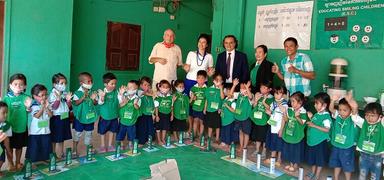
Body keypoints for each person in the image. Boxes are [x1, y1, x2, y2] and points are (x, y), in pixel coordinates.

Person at [349, 97, 384, 180]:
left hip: (377, 155)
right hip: (364, 154)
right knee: (362, 174)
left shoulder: (382, 124)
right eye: (367, 115)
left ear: (380, 116)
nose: (369, 118)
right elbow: (354, 118)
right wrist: (353, 106)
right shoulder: (364, 123)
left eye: (372, 115)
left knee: (375, 176)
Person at [3, 73, 32, 171]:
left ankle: (18, 162)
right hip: (9, 127)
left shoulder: (26, 98)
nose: (18, 86)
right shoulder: (6, 98)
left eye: (21, 84)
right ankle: (10, 163)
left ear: (25, 86)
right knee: (9, 147)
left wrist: (28, 107)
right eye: (15, 84)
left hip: (21, 126)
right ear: (10, 85)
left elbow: (29, 110)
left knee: (19, 147)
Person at [328, 95, 358, 180]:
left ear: (350, 110)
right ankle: (336, 178)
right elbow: (331, 109)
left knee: (347, 165)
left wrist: (351, 102)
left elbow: (355, 110)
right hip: (336, 145)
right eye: (340, 109)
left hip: (347, 146)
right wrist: (333, 100)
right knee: (336, 163)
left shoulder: (353, 118)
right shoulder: (338, 116)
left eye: (345, 110)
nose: (341, 112)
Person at [305, 92, 332, 180]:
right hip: (313, 141)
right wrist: (311, 117)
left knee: (319, 160)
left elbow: (327, 129)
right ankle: (313, 172)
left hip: (320, 142)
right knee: (313, 158)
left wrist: (313, 125)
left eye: (317, 103)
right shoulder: (317, 114)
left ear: (324, 105)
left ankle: (317, 175)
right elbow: (315, 122)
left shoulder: (326, 116)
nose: (315, 105)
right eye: (315, 103)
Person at [281, 92, 309, 173]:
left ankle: (295, 165)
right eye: (291, 101)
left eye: (293, 101)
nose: (291, 103)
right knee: (290, 149)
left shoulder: (303, 112)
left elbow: (302, 123)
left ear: (300, 102)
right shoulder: (290, 110)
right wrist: (284, 113)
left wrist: (297, 116)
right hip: (289, 133)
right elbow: (286, 120)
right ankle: (291, 164)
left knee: (296, 151)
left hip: (297, 135)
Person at [72, 72, 98, 157]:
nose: (91, 83)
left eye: (91, 81)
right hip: (80, 117)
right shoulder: (77, 93)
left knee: (89, 133)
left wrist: (94, 99)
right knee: (78, 134)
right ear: (81, 83)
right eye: (88, 82)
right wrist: (82, 97)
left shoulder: (92, 92)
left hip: (89, 117)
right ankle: (74, 149)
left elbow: (95, 103)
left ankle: (89, 148)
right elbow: (75, 103)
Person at [26, 84, 53, 166]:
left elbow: (51, 115)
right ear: (34, 96)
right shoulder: (33, 105)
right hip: (36, 131)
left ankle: (43, 159)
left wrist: (46, 107)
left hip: (46, 130)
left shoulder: (48, 104)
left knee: (45, 145)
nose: (44, 97)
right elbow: (37, 116)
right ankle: (32, 162)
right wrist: (42, 107)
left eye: (45, 95)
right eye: (41, 95)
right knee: (35, 146)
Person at [49, 73, 72, 159]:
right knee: (55, 137)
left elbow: (69, 106)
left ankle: (61, 153)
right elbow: (54, 107)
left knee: (62, 136)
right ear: (55, 84)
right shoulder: (52, 94)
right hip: (56, 118)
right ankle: (53, 153)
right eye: (61, 83)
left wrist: (68, 100)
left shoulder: (65, 93)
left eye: (65, 83)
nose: (64, 85)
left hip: (65, 117)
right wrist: (58, 99)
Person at [264, 86, 288, 167]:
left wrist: (281, 129)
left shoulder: (284, 104)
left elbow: (284, 118)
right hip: (273, 126)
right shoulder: (274, 102)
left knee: (279, 144)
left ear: (284, 95)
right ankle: (272, 157)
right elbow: (273, 113)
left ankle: (279, 159)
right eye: (275, 93)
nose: (276, 95)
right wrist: (269, 113)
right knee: (273, 142)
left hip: (279, 128)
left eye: (278, 93)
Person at [250, 81, 274, 158]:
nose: (261, 89)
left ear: (269, 89)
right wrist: (256, 100)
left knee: (264, 138)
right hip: (257, 119)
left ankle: (264, 151)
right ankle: (257, 150)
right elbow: (254, 106)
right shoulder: (258, 95)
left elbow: (271, 109)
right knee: (257, 137)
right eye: (261, 87)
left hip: (265, 121)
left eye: (264, 88)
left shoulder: (271, 98)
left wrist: (264, 101)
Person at [97, 73, 119, 153]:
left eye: (115, 83)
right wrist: (102, 97)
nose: (114, 85)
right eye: (112, 83)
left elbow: (120, 100)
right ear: (105, 84)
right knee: (102, 132)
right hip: (104, 117)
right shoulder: (102, 92)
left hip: (114, 116)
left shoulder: (116, 92)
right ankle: (102, 146)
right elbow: (100, 103)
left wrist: (122, 94)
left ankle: (110, 145)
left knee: (112, 131)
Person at [117, 80, 141, 150]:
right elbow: (119, 105)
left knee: (131, 133)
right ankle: (121, 144)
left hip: (132, 120)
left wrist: (135, 104)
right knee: (121, 132)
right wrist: (123, 100)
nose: (128, 88)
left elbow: (137, 107)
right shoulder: (124, 96)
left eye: (130, 87)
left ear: (136, 89)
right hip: (123, 120)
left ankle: (130, 143)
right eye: (127, 87)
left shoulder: (137, 98)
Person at [203, 73, 224, 144]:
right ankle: (209, 137)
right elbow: (206, 100)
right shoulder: (209, 89)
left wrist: (221, 89)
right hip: (209, 109)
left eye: (220, 80)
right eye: (217, 80)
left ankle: (217, 138)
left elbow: (222, 98)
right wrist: (205, 108)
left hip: (217, 110)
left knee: (217, 125)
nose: (218, 81)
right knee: (210, 125)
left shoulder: (222, 90)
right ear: (213, 80)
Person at [136, 76, 155, 145]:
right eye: (145, 85)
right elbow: (144, 93)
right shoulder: (139, 92)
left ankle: (149, 140)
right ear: (140, 85)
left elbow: (152, 104)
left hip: (149, 114)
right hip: (142, 114)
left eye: (148, 85)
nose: (147, 87)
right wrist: (152, 94)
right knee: (141, 128)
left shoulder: (150, 94)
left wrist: (153, 113)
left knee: (150, 128)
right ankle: (141, 141)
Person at [190, 70, 208, 140]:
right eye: (199, 78)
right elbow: (191, 97)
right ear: (196, 78)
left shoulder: (206, 89)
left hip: (202, 109)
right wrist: (193, 98)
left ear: (205, 79)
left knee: (202, 122)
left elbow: (207, 99)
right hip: (195, 108)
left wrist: (205, 109)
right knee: (195, 121)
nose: (200, 80)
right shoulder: (193, 88)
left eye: (202, 78)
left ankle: (201, 136)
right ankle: (193, 134)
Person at [154, 80, 173, 145]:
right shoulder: (158, 97)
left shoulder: (170, 97)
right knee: (158, 127)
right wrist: (156, 116)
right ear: (159, 87)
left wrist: (171, 115)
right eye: (163, 87)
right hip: (160, 114)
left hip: (167, 114)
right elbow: (156, 107)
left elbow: (171, 107)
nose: (165, 88)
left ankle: (163, 139)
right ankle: (159, 140)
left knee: (165, 127)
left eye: (167, 87)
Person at [0, 102, 14, 176]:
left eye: (7, 112)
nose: (6, 115)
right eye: (3, 113)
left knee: (2, 158)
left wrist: (9, 151)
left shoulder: (7, 125)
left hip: (1, 145)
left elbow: (6, 140)